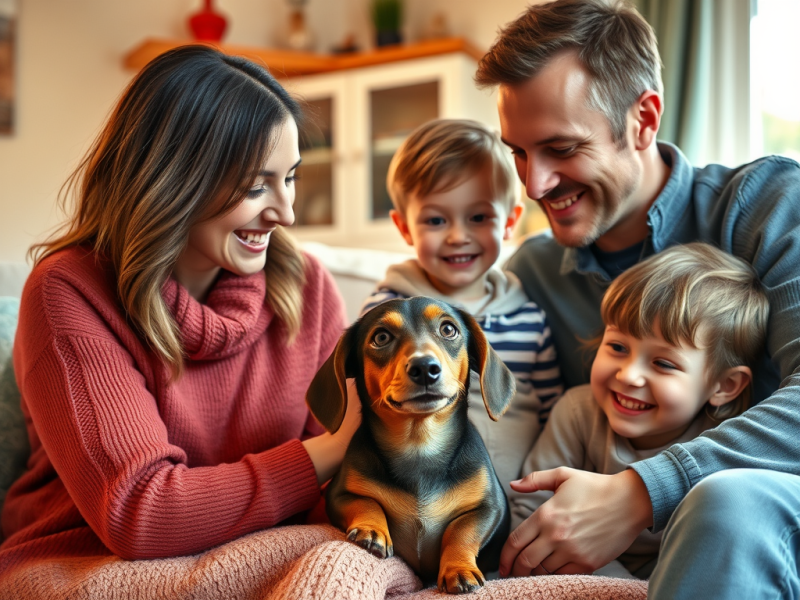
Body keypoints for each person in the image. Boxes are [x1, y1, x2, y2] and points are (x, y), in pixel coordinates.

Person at [473, 0, 800, 597]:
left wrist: (641, 490)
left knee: (728, 504)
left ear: (644, 119)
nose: (534, 184)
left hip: (766, 514)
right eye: (518, 151)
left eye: (562, 148)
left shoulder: (767, 205)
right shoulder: (532, 276)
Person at [0, 45, 360, 576]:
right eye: (257, 184)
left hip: (272, 551)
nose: (285, 211)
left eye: (291, 178)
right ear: (175, 178)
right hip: (89, 563)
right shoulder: (68, 292)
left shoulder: (306, 287)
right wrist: (335, 448)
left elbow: (340, 492)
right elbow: (140, 511)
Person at [511, 242, 769, 580]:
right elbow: (529, 512)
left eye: (663, 363)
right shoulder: (576, 413)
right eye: (617, 347)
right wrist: (619, 586)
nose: (628, 375)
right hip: (583, 575)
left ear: (724, 386)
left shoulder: (724, 447)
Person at [360, 118, 563, 495]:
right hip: (411, 503)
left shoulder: (528, 317)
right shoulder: (385, 310)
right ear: (404, 227)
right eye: (436, 220)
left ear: (510, 222)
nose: (458, 236)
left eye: (478, 217)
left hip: (517, 504)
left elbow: (555, 417)